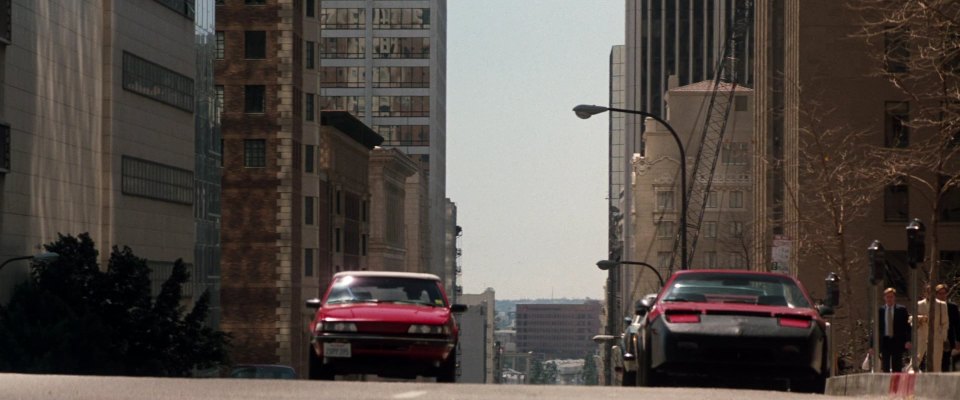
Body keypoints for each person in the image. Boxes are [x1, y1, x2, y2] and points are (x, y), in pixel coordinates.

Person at [914, 284, 949, 372]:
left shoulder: (942, 304)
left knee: (936, 363)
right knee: (915, 361)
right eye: (928, 292)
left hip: (937, 337)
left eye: (931, 292)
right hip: (922, 336)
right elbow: (912, 319)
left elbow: (945, 323)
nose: (929, 294)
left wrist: (943, 338)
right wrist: (921, 318)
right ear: (925, 293)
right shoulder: (919, 304)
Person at [876, 287, 912, 372]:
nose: (889, 299)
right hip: (885, 341)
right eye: (887, 297)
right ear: (884, 298)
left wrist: (908, 340)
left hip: (897, 341)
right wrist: (872, 345)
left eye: (891, 297)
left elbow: (907, 327)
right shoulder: (880, 311)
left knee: (897, 366)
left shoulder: (901, 310)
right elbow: (876, 328)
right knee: (885, 367)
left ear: (894, 297)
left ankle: (896, 384)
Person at [935, 284, 960, 372]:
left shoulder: (952, 307)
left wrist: (958, 340)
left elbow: (957, 325)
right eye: (940, 294)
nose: (942, 296)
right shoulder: (932, 307)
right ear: (936, 294)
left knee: (945, 361)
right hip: (935, 338)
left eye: (944, 293)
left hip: (948, 338)